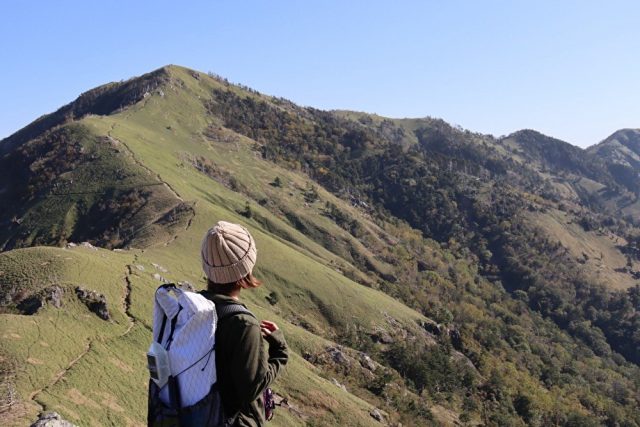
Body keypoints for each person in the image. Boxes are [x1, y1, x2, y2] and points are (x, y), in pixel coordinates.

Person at [199, 220, 288, 427]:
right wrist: (280, 352)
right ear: (246, 267)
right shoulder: (243, 324)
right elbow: (252, 389)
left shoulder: (195, 306)